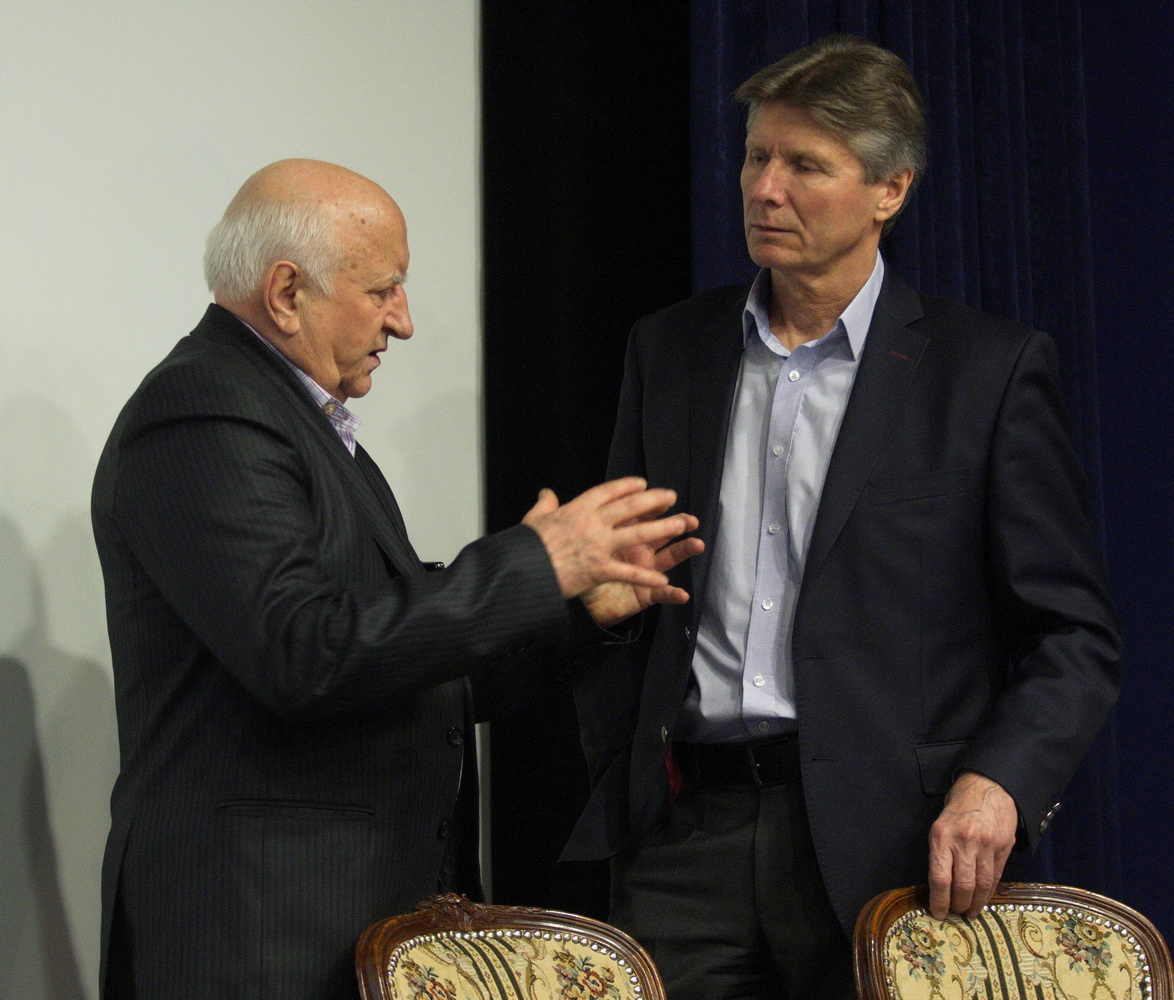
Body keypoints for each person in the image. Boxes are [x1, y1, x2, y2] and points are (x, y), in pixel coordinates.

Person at [564, 35, 1122, 1000]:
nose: (764, 188)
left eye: (805, 166)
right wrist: (621, 750)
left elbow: (1074, 637)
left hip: (894, 853)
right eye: (756, 157)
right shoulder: (670, 351)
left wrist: (1000, 783)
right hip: (686, 842)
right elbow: (625, 588)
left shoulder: (985, 371)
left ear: (889, 190)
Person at [90, 158, 702, 1000]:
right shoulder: (203, 409)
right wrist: (534, 563)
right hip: (259, 937)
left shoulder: (303, 426)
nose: (403, 321)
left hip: (347, 927)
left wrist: (575, 610)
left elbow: (412, 672)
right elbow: (304, 652)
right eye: (383, 290)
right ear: (286, 293)